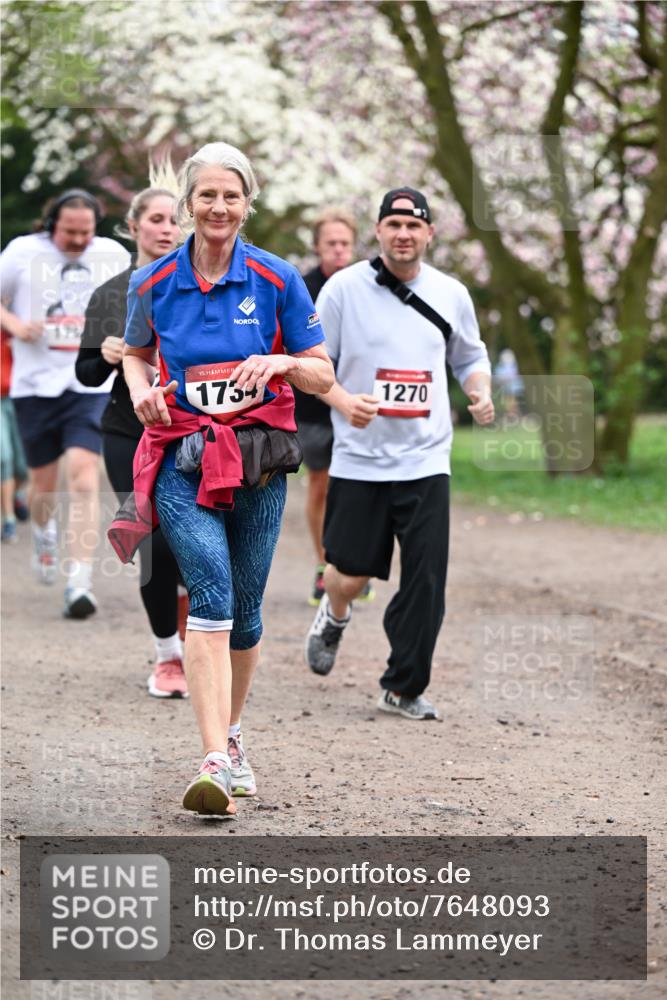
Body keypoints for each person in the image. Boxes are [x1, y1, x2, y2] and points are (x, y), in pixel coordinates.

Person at [117, 141, 333, 815]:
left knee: (245, 613)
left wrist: (277, 366)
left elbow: (321, 371)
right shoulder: (152, 282)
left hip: (260, 463)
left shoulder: (276, 279)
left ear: (247, 204)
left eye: (230, 196)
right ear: (188, 204)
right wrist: (142, 388)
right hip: (183, 458)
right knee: (209, 593)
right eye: (205, 195)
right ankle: (212, 757)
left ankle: (233, 739)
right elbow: (134, 352)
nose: (217, 207)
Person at [305, 187, 495, 720]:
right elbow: (315, 365)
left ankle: (403, 685)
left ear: (430, 234)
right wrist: (343, 401)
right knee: (349, 573)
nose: (404, 234)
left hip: (426, 458)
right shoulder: (343, 290)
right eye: (393, 225)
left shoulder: (451, 293)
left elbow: (470, 356)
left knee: (426, 578)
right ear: (380, 232)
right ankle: (335, 610)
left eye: (414, 226)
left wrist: (479, 389)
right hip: (360, 458)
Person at [75, 168, 190, 698]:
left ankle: (192, 617)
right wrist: (104, 353)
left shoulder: (201, 285)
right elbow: (85, 374)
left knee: (196, 545)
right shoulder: (111, 293)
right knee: (153, 542)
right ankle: (169, 655)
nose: (166, 229)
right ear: (134, 226)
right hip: (129, 433)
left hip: (195, 430)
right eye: (156, 220)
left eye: (175, 220)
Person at [0, 190, 130, 616]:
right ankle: (43, 530)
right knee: (43, 483)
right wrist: (15, 324)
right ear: (51, 223)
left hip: (87, 383)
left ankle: (79, 581)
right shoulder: (21, 252)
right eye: (69, 232)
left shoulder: (111, 254)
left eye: (85, 233)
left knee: (83, 476)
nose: (77, 240)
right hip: (34, 385)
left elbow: (138, 300)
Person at [294, 209, 360, 604]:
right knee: (321, 485)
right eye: (331, 243)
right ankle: (324, 564)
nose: (338, 250)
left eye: (345, 244)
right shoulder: (302, 287)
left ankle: (350, 562)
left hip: (358, 402)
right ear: (318, 246)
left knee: (354, 487)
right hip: (314, 407)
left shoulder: (366, 285)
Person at [0, 328, 29, 543]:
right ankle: (9, 519)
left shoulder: (17, 323)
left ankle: (17, 493)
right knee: (4, 458)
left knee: (23, 465)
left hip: (21, 398)